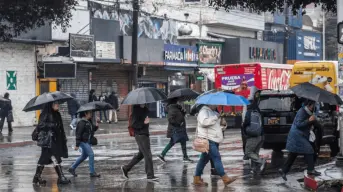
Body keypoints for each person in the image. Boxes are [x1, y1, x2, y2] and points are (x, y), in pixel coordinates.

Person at [193, 104, 237, 186]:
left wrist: (222, 124)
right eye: (215, 104)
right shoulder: (204, 111)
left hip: (213, 139)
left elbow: (215, 127)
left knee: (203, 160)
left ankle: (197, 178)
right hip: (208, 139)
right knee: (216, 158)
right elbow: (204, 122)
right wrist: (216, 117)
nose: (216, 106)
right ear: (210, 104)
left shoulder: (212, 112)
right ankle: (225, 178)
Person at [279, 100, 321, 181]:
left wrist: (313, 120)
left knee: (293, 154)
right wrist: (309, 120)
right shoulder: (302, 111)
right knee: (309, 150)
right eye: (313, 105)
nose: (314, 107)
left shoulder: (309, 112)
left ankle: (283, 170)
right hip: (297, 135)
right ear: (309, 105)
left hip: (300, 135)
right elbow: (299, 124)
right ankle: (310, 170)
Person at [33, 102, 70, 185]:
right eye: (56, 103)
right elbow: (41, 125)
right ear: (51, 105)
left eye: (58, 103)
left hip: (55, 139)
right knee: (55, 157)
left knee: (43, 159)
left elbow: (61, 127)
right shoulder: (45, 114)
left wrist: (63, 137)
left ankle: (36, 177)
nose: (58, 105)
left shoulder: (57, 114)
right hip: (48, 140)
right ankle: (61, 177)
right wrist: (52, 125)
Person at [121, 104, 159, 181]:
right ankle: (150, 175)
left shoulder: (144, 109)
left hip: (144, 134)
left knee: (141, 154)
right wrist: (144, 123)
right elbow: (134, 124)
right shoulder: (136, 110)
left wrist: (146, 123)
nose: (145, 102)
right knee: (148, 155)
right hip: (140, 135)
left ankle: (126, 168)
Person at [158, 98, 192, 163]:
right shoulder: (172, 108)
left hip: (180, 129)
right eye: (178, 101)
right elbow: (170, 119)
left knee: (183, 141)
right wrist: (178, 124)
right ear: (175, 102)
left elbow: (180, 116)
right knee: (172, 142)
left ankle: (185, 157)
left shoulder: (177, 108)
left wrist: (183, 112)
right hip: (175, 129)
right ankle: (162, 155)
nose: (179, 102)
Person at [68, 110, 101, 178]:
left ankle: (72, 168)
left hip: (87, 141)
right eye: (90, 113)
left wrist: (97, 124)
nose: (91, 114)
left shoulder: (88, 122)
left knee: (84, 156)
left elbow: (93, 129)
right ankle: (92, 172)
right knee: (91, 154)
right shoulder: (81, 122)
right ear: (85, 114)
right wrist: (77, 145)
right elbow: (78, 134)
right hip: (83, 142)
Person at [243, 88, 266, 174]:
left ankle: (261, 161)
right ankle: (255, 169)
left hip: (253, 136)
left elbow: (246, 122)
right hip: (260, 136)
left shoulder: (249, 111)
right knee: (255, 153)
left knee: (248, 152)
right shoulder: (258, 111)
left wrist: (244, 128)